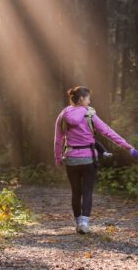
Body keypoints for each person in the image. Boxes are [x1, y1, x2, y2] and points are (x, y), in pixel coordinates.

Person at [54, 85, 133, 234]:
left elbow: (58, 139)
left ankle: (78, 223)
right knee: (87, 191)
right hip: (88, 159)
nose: (89, 101)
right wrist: (126, 145)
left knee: (76, 192)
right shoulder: (89, 115)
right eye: (88, 98)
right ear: (82, 98)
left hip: (71, 159)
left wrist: (58, 157)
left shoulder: (63, 115)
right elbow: (107, 132)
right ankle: (85, 223)